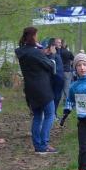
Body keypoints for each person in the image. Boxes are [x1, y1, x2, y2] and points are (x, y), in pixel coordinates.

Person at [16, 26, 58, 154]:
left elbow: (36, 63)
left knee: (38, 116)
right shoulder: (35, 52)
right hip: (42, 88)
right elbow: (50, 66)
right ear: (33, 36)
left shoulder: (22, 52)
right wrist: (52, 55)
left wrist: (41, 53)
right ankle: (44, 144)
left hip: (30, 88)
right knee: (50, 114)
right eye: (36, 35)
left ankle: (37, 145)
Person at [58, 38, 74, 103]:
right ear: (64, 44)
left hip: (59, 71)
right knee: (67, 87)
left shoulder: (58, 52)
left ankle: (60, 100)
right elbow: (73, 58)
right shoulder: (68, 52)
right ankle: (67, 100)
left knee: (60, 87)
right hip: (67, 70)